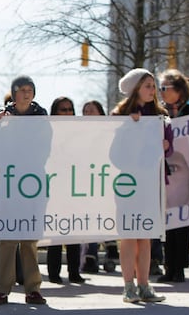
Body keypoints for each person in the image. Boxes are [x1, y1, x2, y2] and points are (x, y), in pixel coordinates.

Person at [112, 68, 170, 303]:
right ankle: (128, 286)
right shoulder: (120, 115)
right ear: (136, 88)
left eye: (153, 86)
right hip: (127, 184)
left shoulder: (160, 115)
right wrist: (130, 128)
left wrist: (166, 146)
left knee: (145, 235)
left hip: (151, 183)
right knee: (128, 234)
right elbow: (114, 152)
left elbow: (168, 147)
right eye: (147, 86)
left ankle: (144, 285)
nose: (152, 90)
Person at [0, 75, 47, 306]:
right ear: (13, 94)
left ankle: (33, 289)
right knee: (8, 239)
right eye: (21, 89)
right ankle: (2, 289)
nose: (26, 93)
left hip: (33, 184)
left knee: (30, 239)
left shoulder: (41, 117)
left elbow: (45, 149)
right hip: (9, 183)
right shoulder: (2, 116)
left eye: (30, 89)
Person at [157, 69, 189, 283]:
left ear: (179, 91)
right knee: (166, 223)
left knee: (182, 221)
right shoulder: (158, 114)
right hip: (162, 173)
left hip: (184, 175)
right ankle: (168, 266)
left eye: (164, 88)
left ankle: (179, 268)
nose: (161, 92)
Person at [46, 97, 85, 285]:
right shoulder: (48, 132)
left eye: (70, 109)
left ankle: (74, 272)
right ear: (55, 112)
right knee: (55, 231)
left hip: (73, 185)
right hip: (54, 185)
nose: (68, 112)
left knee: (73, 231)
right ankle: (53, 272)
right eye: (63, 109)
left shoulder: (79, 133)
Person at [79, 100, 119, 274]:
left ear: (100, 113)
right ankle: (90, 255)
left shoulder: (109, 131)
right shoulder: (77, 133)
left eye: (91, 110)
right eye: (85, 111)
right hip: (87, 179)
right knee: (90, 216)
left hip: (105, 176)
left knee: (106, 214)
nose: (88, 114)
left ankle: (111, 248)